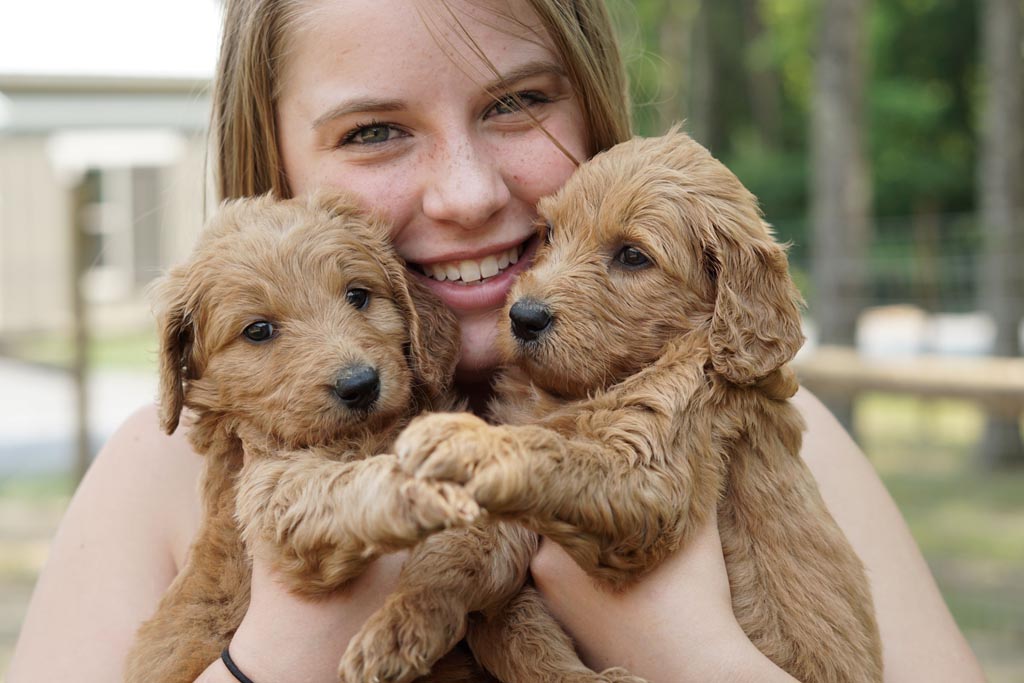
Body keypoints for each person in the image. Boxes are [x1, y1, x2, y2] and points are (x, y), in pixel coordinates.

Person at [9, 1, 986, 681]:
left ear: (593, 100)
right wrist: (281, 653)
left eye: (517, 102)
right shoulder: (163, 469)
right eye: (374, 131)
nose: (470, 193)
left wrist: (699, 657)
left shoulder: (773, 424)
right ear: (274, 158)